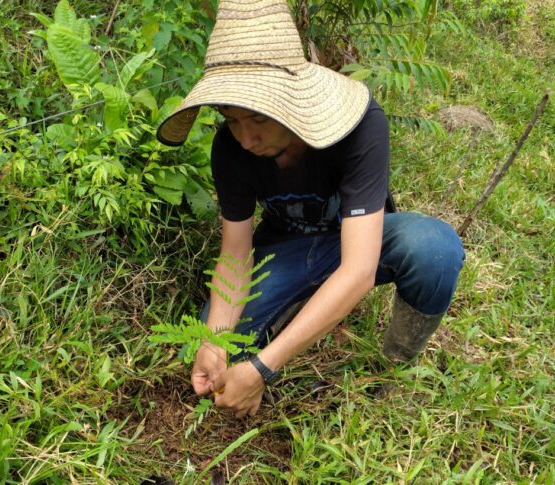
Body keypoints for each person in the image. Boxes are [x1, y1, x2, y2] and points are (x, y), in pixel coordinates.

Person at [156, 0, 464, 418]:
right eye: (231, 119)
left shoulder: (360, 127)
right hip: (283, 252)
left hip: (356, 242)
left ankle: (397, 364)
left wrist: (264, 369)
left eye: (257, 119)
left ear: (290, 98)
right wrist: (215, 342)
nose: (246, 138)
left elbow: (358, 268)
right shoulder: (229, 149)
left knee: (433, 248)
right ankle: (299, 310)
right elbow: (235, 252)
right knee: (218, 353)